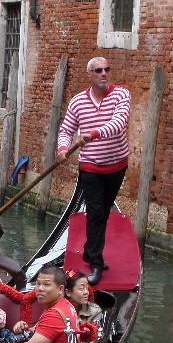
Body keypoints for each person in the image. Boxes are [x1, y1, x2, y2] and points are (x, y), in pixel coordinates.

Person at [57, 57, 131, 285]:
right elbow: (66, 129)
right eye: (98, 70)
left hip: (117, 164)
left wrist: (94, 133)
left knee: (104, 211)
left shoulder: (122, 95)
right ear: (89, 74)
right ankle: (96, 263)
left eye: (107, 69)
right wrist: (62, 148)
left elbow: (119, 122)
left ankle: (90, 251)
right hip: (90, 167)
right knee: (96, 212)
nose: (104, 73)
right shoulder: (78, 101)